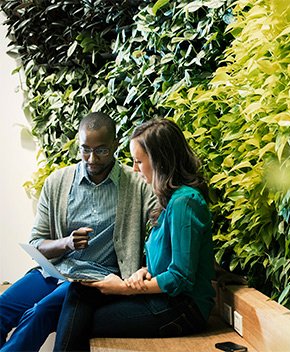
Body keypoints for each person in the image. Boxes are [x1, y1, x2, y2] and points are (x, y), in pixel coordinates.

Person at [53, 118, 216, 352]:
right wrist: (144, 271)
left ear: (161, 161)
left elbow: (181, 277)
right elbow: (168, 259)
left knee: (80, 322)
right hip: (164, 299)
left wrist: (124, 288)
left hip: (183, 309)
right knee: (80, 292)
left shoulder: (186, 202)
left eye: (139, 161)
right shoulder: (170, 201)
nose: (136, 169)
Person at [0, 112, 155, 351]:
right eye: (85, 149)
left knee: (39, 313)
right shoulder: (57, 182)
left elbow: (161, 227)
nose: (91, 159)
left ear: (115, 144)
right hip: (53, 273)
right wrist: (67, 243)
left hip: (93, 282)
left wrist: (144, 269)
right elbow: (37, 242)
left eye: (101, 150)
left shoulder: (136, 185)